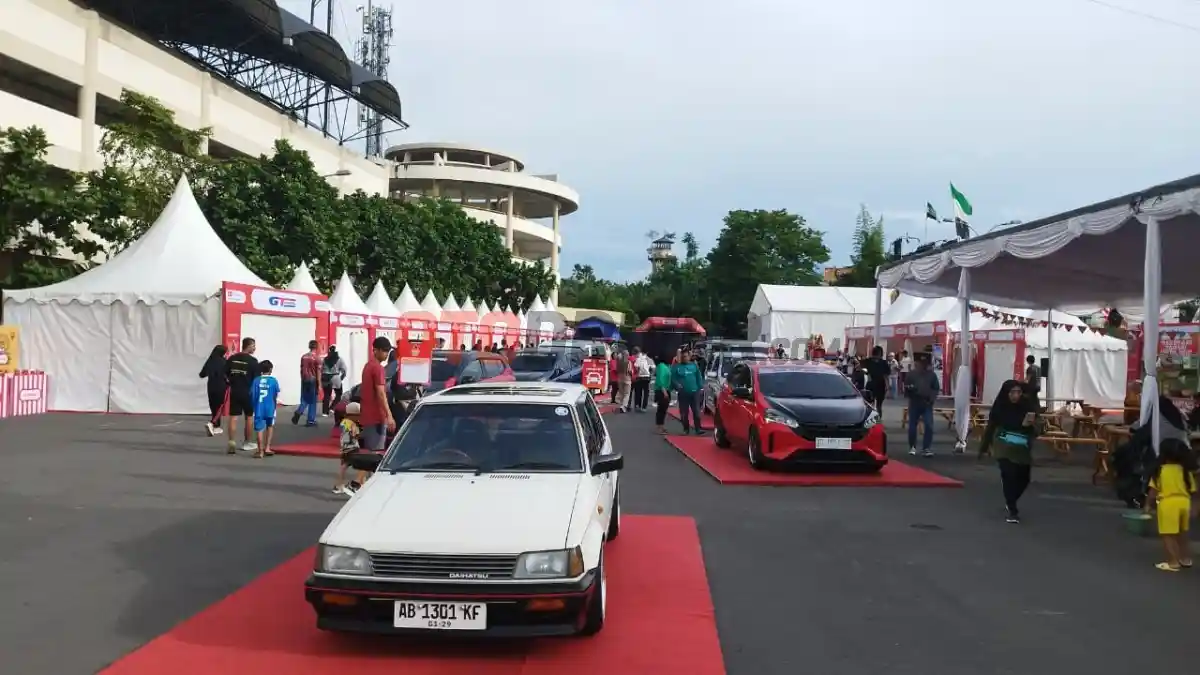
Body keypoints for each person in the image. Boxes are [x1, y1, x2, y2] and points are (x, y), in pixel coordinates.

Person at [978, 380, 1039, 523]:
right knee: (1009, 475)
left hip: (1021, 446)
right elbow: (991, 427)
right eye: (1012, 392)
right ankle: (1012, 510)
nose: (1015, 395)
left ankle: (1011, 499)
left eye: (1018, 392)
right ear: (1006, 393)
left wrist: (1030, 425)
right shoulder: (1000, 406)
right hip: (1003, 444)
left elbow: (1036, 427)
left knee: (1024, 478)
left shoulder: (1025, 406)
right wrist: (985, 447)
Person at [1145, 438, 1196, 571]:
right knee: (1182, 534)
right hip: (1184, 502)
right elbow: (1193, 490)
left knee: (1168, 535)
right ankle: (1185, 559)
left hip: (1168, 503)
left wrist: (1148, 506)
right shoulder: (1185, 472)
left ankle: (1173, 561)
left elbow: (1153, 492)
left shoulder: (1160, 471)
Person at [359, 336, 397, 454]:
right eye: (384, 350)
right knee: (376, 453)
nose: (386, 354)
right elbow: (381, 393)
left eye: (387, 351)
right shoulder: (378, 368)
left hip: (368, 416)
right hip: (377, 418)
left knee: (370, 453)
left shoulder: (367, 366)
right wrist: (389, 415)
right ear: (376, 350)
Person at [224, 337, 260, 454]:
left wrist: (230, 382)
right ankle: (247, 442)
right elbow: (257, 380)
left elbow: (225, 374)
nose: (255, 348)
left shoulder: (232, 359)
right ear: (248, 346)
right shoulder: (253, 361)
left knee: (233, 417)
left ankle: (231, 441)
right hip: (248, 393)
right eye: (253, 345)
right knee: (249, 417)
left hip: (235, 391)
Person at [905, 355, 939, 457]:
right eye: (921, 363)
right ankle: (912, 446)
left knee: (929, 425)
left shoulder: (932, 375)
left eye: (925, 364)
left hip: (926, 403)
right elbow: (906, 387)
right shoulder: (911, 375)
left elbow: (936, 388)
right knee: (912, 426)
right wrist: (910, 391)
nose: (922, 366)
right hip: (915, 402)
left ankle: (926, 448)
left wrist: (931, 399)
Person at [250, 360, 280, 459]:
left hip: (259, 407)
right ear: (270, 369)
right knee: (270, 426)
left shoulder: (256, 380)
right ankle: (267, 447)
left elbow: (252, 395)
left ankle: (260, 451)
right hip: (270, 407)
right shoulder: (273, 381)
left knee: (259, 429)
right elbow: (276, 395)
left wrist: (254, 405)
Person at [671, 349, 705, 435]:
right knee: (684, 413)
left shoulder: (694, 366)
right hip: (683, 393)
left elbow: (698, 377)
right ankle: (686, 429)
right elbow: (673, 379)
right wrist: (677, 385)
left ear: (689, 357)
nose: (684, 358)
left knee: (697, 412)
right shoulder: (676, 367)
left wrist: (701, 388)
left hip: (695, 392)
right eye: (682, 357)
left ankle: (698, 429)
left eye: (685, 356)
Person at [199, 345, 228, 436]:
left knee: (213, 406)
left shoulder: (210, 361)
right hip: (221, 386)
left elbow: (202, 374)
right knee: (219, 407)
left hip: (211, 386)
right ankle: (212, 423)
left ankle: (216, 427)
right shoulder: (224, 362)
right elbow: (228, 374)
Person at [292, 340, 321, 427]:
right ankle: (310, 420)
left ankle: (299, 411)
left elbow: (301, 369)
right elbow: (318, 372)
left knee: (305, 398)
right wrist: (319, 385)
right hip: (313, 380)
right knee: (312, 401)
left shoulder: (304, 357)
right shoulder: (317, 358)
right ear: (316, 347)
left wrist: (302, 379)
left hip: (304, 380)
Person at [320, 346, 347, 416]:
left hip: (325, 378)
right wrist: (341, 378)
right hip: (335, 377)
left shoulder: (325, 359)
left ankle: (325, 412)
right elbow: (344, 370)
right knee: (339, 394)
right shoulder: (339, 359)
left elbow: (321, 369)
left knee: (326, 395)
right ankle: (332, 408)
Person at [863, 346, 890, 412]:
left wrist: (887, 387)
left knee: (877, 405)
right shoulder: (868, 361)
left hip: (877, 385)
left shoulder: (882, 363)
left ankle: (876, 417)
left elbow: (885, 376)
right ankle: (872, 416)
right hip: (873, 384)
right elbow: (886, 376)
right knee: (871, 404)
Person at [654, 355, 672, 434]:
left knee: (664, 409)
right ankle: (659, 428)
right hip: (661, 390)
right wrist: (664, 391)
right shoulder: (661, 366)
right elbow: (660, 379)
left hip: (666, 389)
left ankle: (662, 426)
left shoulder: (667, 366)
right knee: (661, 409)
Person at [632, 348, 653, 412]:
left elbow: (636, 367)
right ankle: (644, 407)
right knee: (646, 393)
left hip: (640, 377)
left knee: (639, 392)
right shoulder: (649, 359)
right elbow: (653, 368)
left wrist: (638, 372)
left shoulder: (638, 359)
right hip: (647, 377)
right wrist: (650, 374)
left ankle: (638, 405)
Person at [615, 347, 634, 412]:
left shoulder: (619, 363)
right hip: (627, 379)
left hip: (620, 379)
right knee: (627, 394)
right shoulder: (629, 362)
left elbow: (617, 370)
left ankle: (621, 405)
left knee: (621, 393)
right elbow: (630, 371)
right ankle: (623, 406)